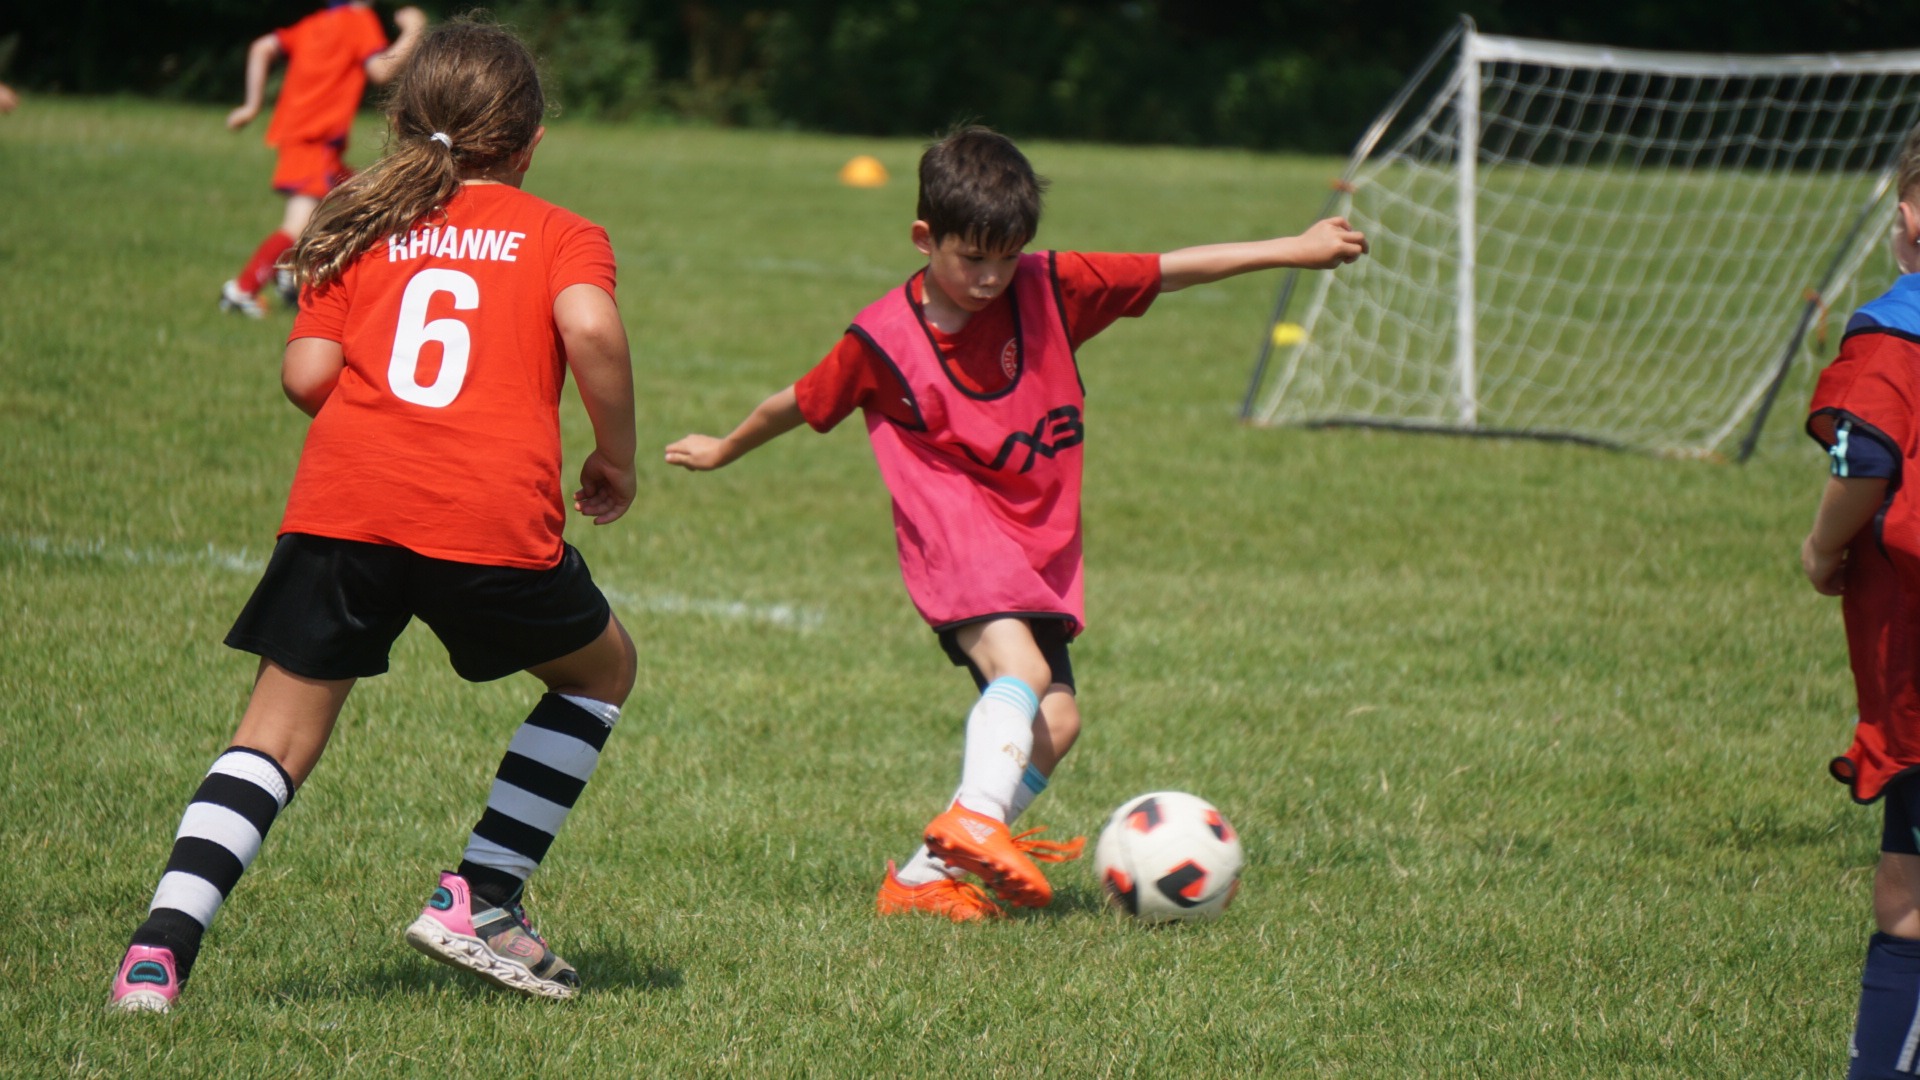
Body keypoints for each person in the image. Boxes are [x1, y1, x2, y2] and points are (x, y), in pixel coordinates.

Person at [664, 125, 1367, 921]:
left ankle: (926, 878)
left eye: (1007, 256)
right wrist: (725, 446)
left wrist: (1295, 246)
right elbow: (800, 400)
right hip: (956, 532)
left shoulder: (1050, 288)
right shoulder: (883, 341)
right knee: (1023, 675)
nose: (991, 277)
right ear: (925, 239)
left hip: (1035, 542)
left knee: (1058, 722)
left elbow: (1170, 269)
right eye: (972, 258)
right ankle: (970, 821)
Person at [110, 18, 638, 1011]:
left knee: (271, 740)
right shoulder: (563, 233)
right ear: (530, 143)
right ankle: (481, 896)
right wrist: (616, 455)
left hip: (343, 505)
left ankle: (157, 956)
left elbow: (306, 372)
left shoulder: (358, 218)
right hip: (484, 513)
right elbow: (591, 323)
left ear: (402, 124)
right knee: (602, 670)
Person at [1803, 127, 1920, 1078]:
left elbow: (1868, 457)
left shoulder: (1895, 334)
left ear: (1909, 217)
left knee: (1908, 897)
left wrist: (1822, 544)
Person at [219, 2, 427, 317]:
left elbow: (263, 47)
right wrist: (414, 31)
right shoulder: (359, 19)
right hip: (314, 143)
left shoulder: (314, 23)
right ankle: (242, 289)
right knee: (299, 224)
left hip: (309, 142)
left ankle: (296, 274)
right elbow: (381, 70)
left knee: (367, 199)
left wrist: (252, 105)